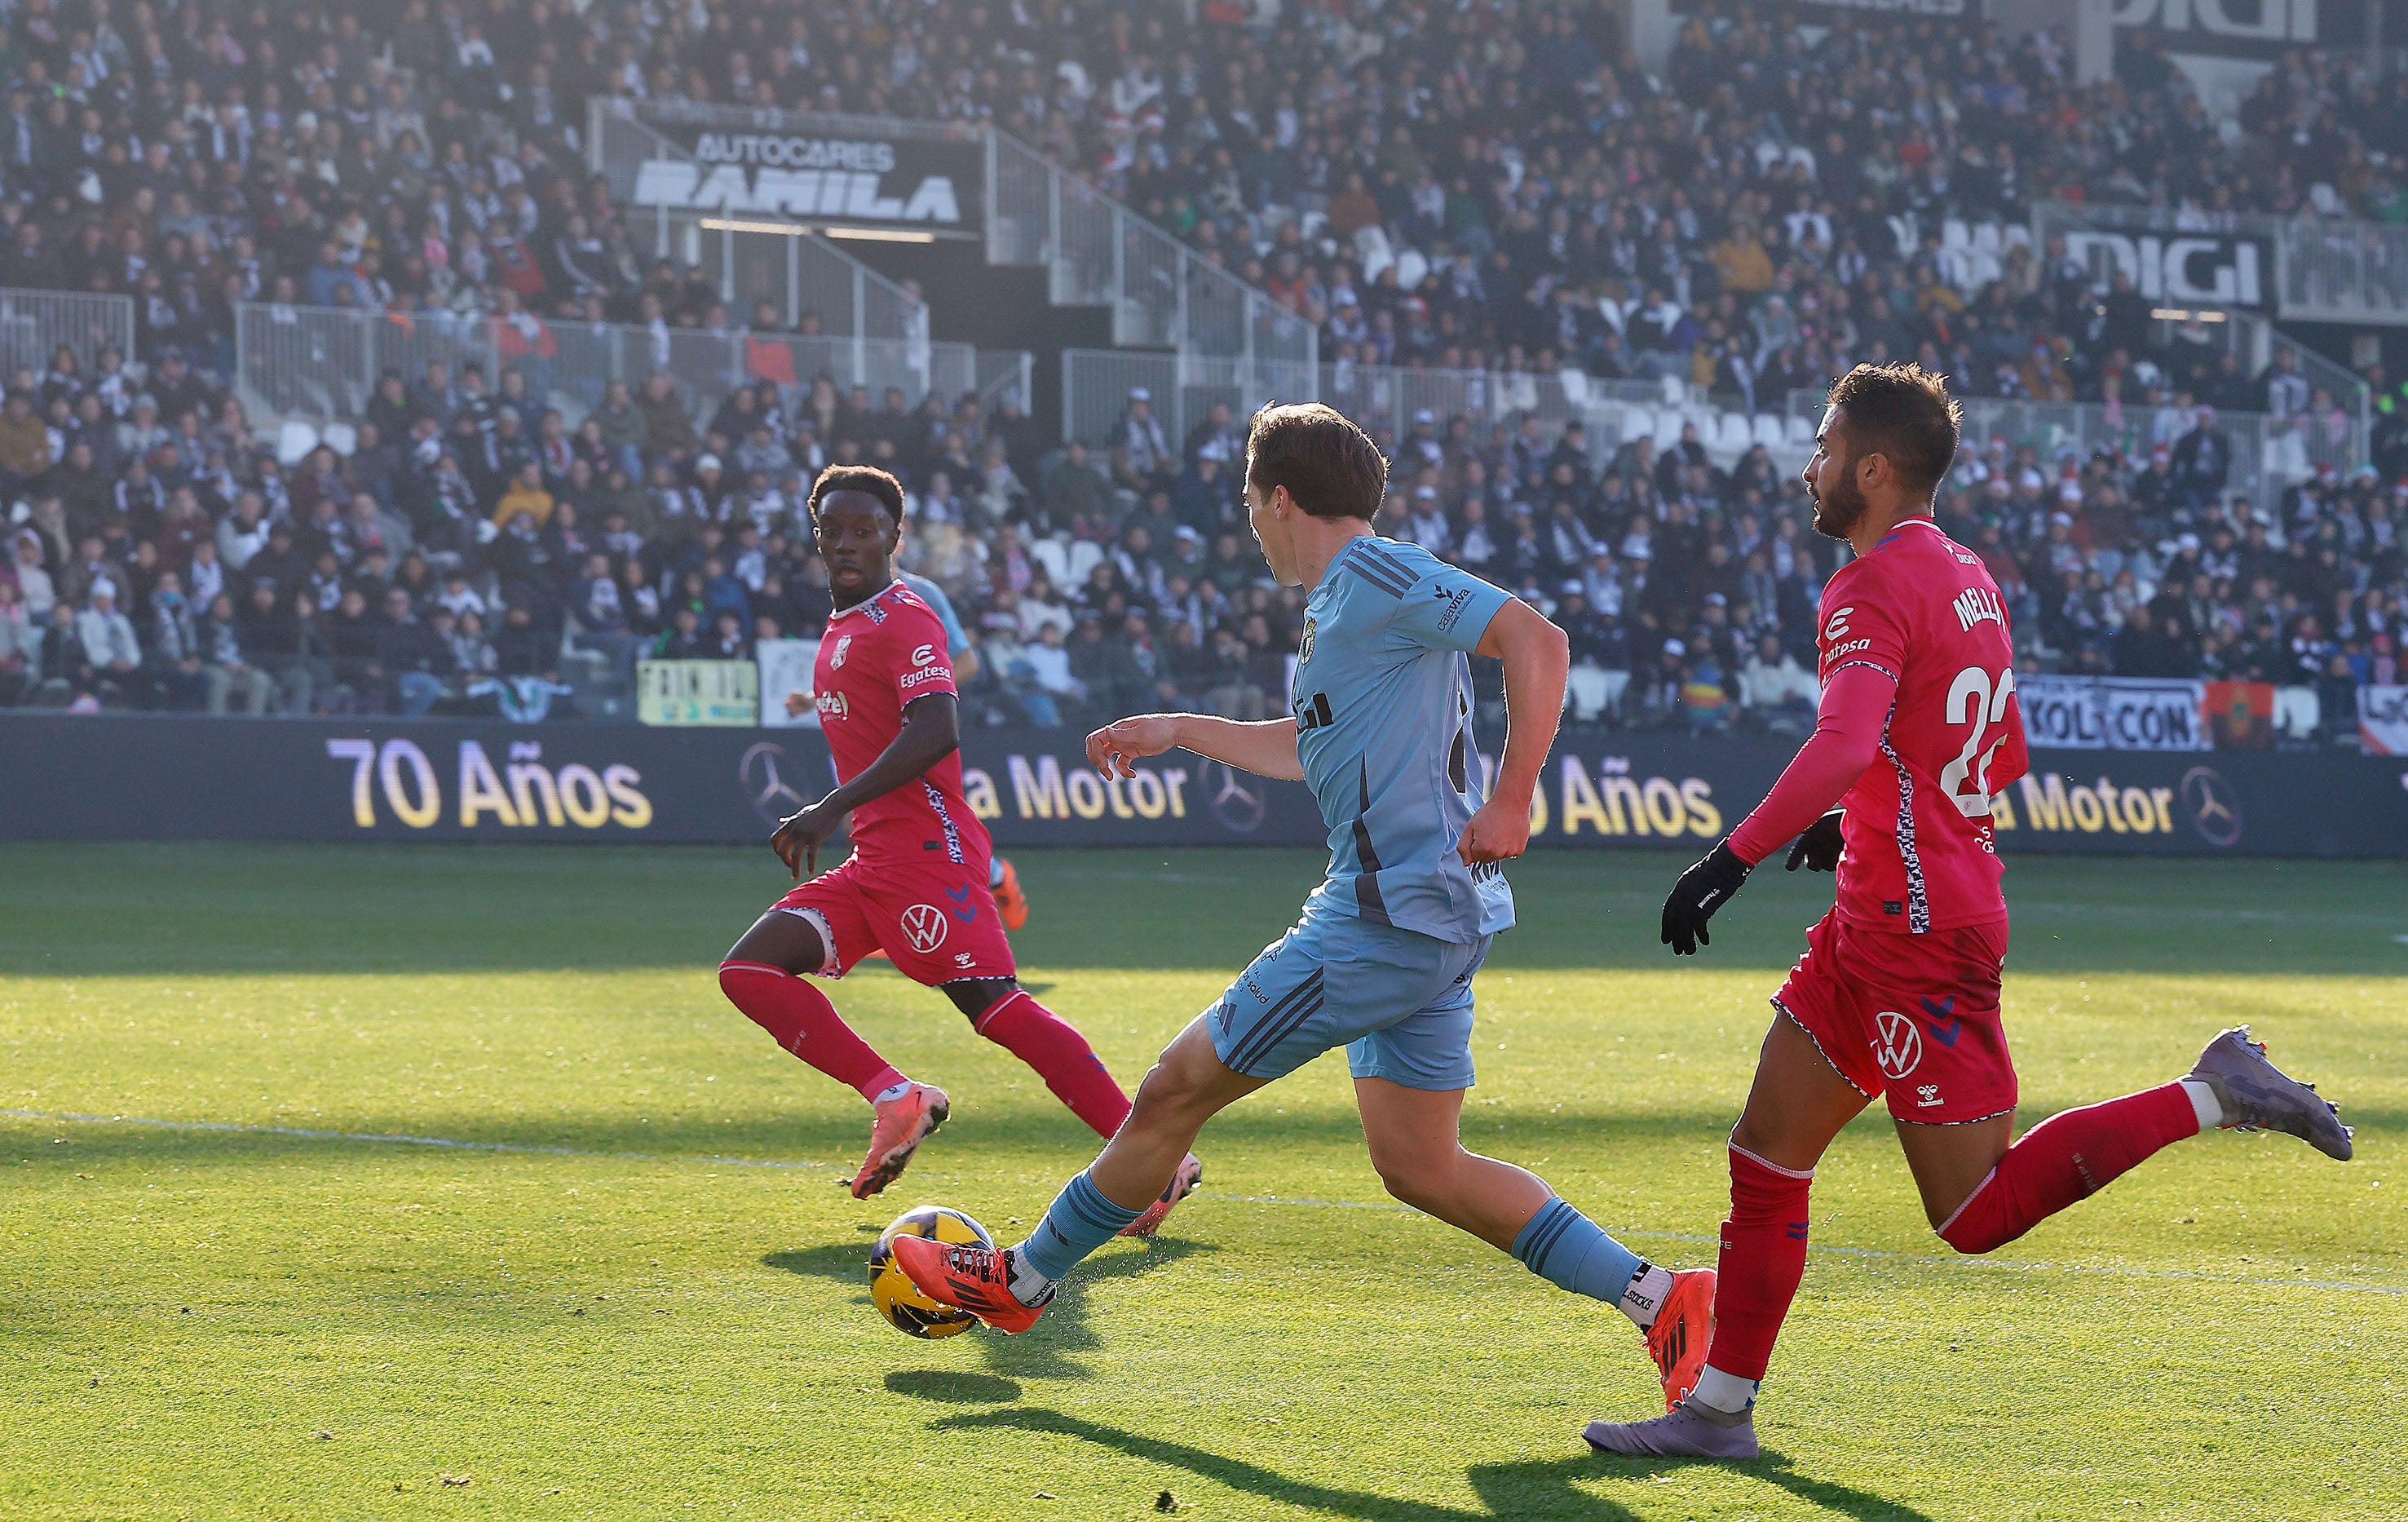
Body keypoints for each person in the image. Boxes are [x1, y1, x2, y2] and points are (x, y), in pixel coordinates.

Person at [1584, 364, 2354, 1460]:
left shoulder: (1865, 588)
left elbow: (1850, 742)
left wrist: (1731, 858)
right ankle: (1717, 1410)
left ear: (1873, 467)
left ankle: (2214, 1089)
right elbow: (1991, 753)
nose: (1809, 465)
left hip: (1916, 935)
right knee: (1765, 1154)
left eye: (1823, 445)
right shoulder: (1971, 578)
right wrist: (1852, 821)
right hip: (1873, 921)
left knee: (1973, 1214)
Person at [894, 404, 1716, 1414]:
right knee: (1421, 1164)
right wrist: (1177, 729)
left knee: (1169, 1093)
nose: (1249, 525)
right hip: (1433, 922)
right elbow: (1311, 742)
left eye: (1250, 505)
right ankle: (1666, 1299)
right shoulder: (1347, 607)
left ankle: (1020, 1280)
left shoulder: (1372, 575)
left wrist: (1514, 796)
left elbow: (1536, 642)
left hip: (1381, 923)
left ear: (1280, 499)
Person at [718, 464, 1183, 1215]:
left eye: (864, 531)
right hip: (875, 861)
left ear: (894, 538)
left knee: (999, 1011)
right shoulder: (844, 623)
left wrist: (829, 806)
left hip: (925, 858)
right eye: (831, 530)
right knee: (749, 972)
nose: (846, 544)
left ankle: (1155, 1163)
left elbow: (936, 728)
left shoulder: (906, 617)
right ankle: (898, 1099)